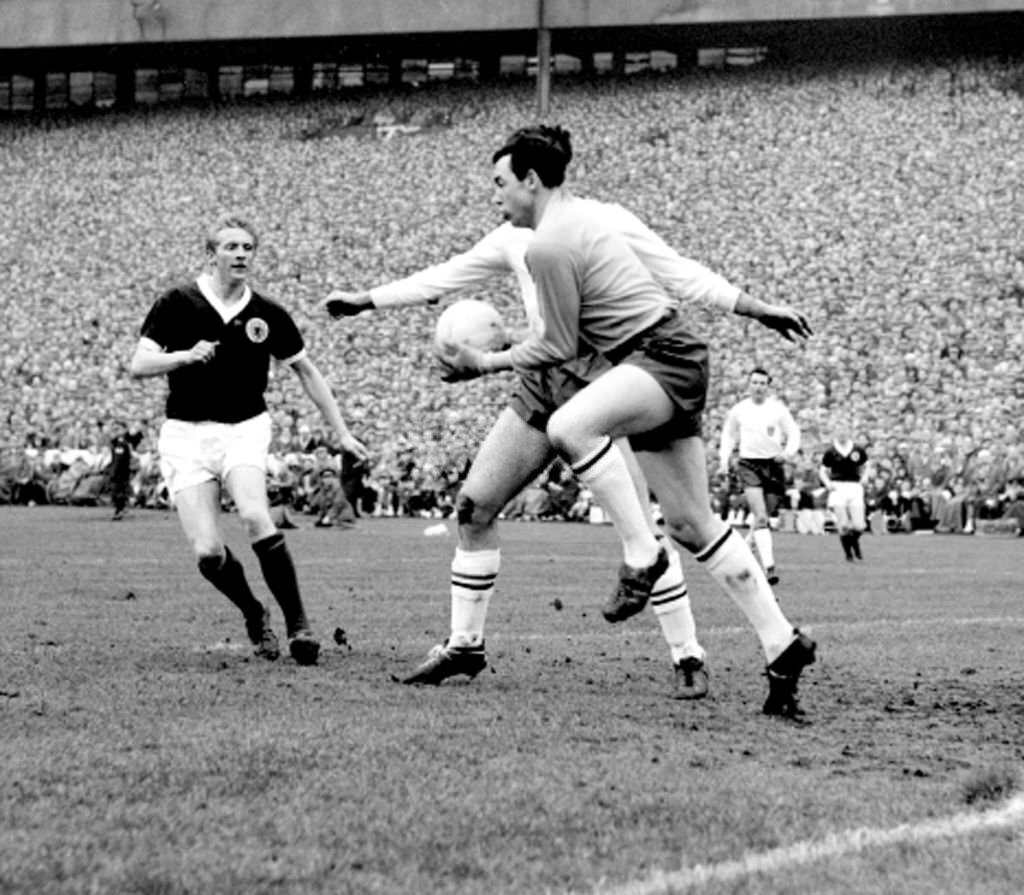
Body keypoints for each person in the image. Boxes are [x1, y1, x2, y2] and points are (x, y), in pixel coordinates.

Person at [371, 125, 815, 717]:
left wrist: (482, 363)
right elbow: (481, 296)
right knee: (691, 523)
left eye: (500, 183)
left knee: (572, 427)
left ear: (531, 180)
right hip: (657, 360)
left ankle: (645, 564)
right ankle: (782, 643)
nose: (495, 195)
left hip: (656, 361)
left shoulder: (549, 246)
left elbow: (557, 342)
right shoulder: (576, 221)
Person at [129, 214, 367, 664]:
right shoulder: (177, 302)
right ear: (211, 254)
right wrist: (183, 357)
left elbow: (306, 371)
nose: (241, 254)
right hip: (186, 433)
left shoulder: (269, 312)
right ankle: (254, 612)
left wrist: (342, 432)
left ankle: (299, 626)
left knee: (257, 516)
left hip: (244, 427)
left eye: (247, 247)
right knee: (207, 553)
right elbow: (139, 364)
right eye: (231, 247)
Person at [718, 368, 801, 585]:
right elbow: (728, 435)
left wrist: (788, 453)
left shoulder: (777, 410)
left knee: (762, 519)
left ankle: (743, 552)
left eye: (762, 383)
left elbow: (794, 432)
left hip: (773, 465)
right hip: (749, 464)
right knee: (762, 517)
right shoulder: (739, 410)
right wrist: (723, 460)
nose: (758, 386)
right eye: (754, 382)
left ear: (768, 386)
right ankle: (769, 568)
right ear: (749, 384)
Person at [819, 425, 870, 560]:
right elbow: (823, 470)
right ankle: (849, 555)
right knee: (844, 525)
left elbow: (867, 465)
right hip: (838, 487)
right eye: (839, 431)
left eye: (844, 431)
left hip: (855, 487)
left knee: (859, 526)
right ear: (835, 433)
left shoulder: (857, 449)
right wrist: (828, 484)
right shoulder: (831, 451)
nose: (842, 433)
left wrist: (865, 477)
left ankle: (854, 543)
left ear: (849, 432)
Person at [106, 419, 142, 521]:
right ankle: (122, 508)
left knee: (118, 491)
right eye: (113, 429)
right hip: (120, 471)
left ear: (123, 429)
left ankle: (120, 511)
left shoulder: (122, 442)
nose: (115, 431)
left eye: (117, 429)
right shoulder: (117, 441)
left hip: (121, 471)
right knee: (118, 491)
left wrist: (113, 471)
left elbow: (119, 460)